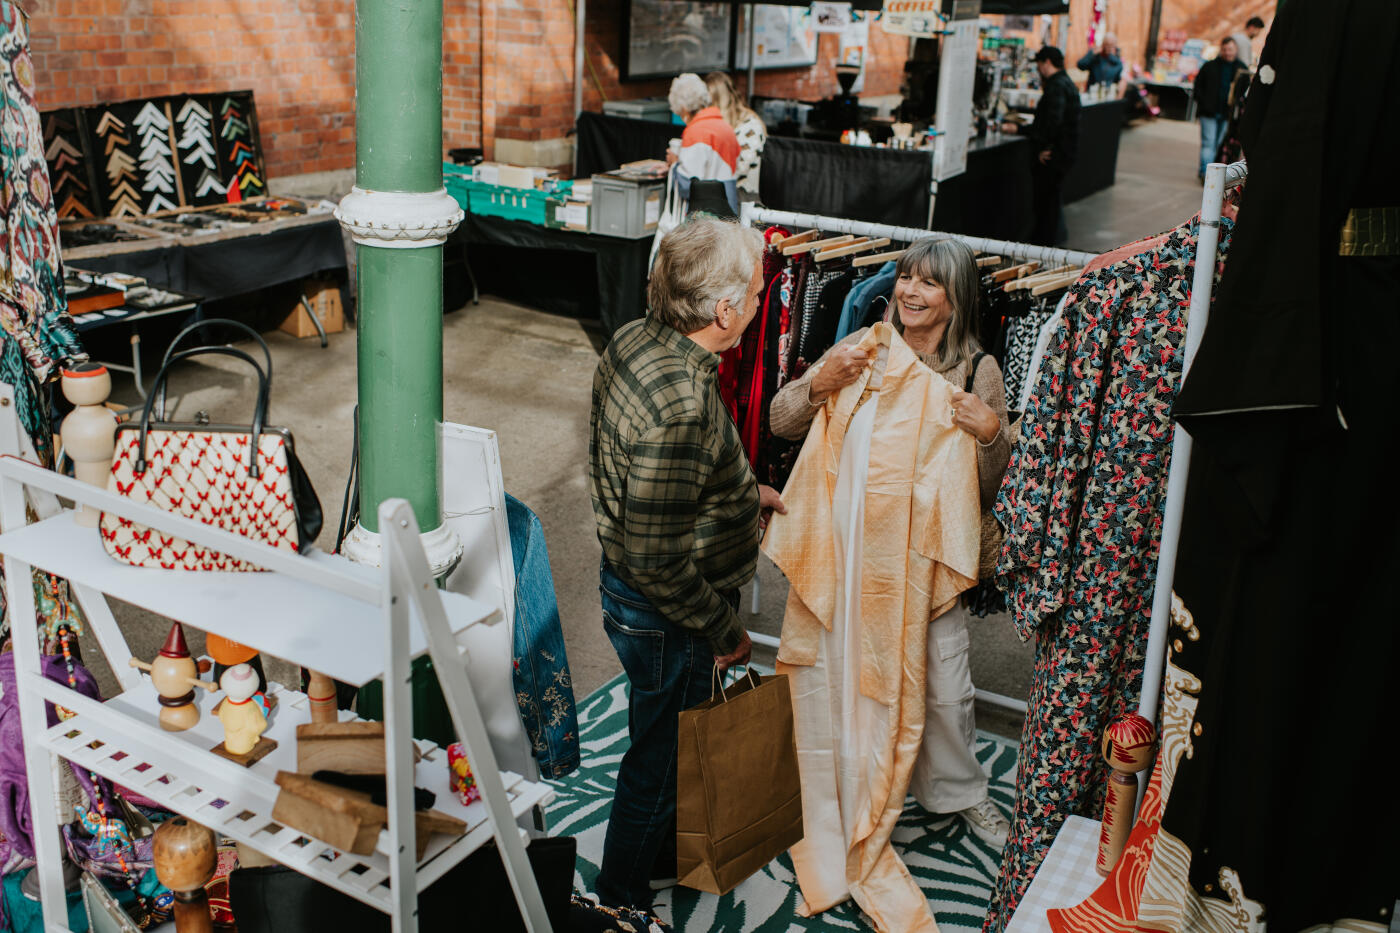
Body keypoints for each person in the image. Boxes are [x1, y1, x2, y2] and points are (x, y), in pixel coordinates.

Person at [768, 236, 1013, 847]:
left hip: (927, 563)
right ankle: (865, 792)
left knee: (946, 689)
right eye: (906, 277)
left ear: (954, 298)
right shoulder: (862, 348)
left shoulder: (979, 371)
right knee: (856, 682)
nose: (909, 291)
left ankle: (959, 793)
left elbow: (993, 488)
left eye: (928, 282)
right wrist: (821, 380)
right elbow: (780, 420)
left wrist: (991, 436)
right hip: (856, 556)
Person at [589, 217, 785, 910]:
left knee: (665, 740)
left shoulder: (636, 337)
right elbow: (659, 561)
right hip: (667, 613)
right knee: (661, 759)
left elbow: (657, 478)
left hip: (637, 596)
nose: (762, 305)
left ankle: (659, 850)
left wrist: (740, 489)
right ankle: (620, 898)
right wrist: (723, 630)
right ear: (723, 310)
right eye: (758, 295)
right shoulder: (681, 403)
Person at [1002, 46, 1081, 246]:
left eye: (1039, 64)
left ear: (1046, 62)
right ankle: (1048, 241)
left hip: (1054, 157)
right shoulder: (1067, 83)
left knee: (1046, 205)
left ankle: (1043, 245)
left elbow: (1052, 122)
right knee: (1051, 203)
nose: (1038, 69)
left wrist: (1045, 147)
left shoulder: (1056, 86)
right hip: (1062, 154)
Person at [664, 73, 739, 215]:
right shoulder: (726, 127)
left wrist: (674, 163)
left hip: (706, 219)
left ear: (684, 108)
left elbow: (687, 187)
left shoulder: (695, 132)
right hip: (728, 213)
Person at [704, 71, 767, 199]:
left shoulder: (750, 125)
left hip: (742, 200)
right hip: (716, 196)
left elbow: (740, 167)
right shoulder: (714, 124)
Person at [1192, 37, 1248, 180]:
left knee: (1218, 144)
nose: (1228, 52)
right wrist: (1203, 103)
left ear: (1235, 50)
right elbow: (1198, 86)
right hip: (1208, 112)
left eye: (1230, 49)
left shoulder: (1241, 69)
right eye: (1225, 49)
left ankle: (1212, 174)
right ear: (1221, 50)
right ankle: (1206, 173)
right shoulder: (1209, 66)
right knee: (1208, 143)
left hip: (1227, 115)